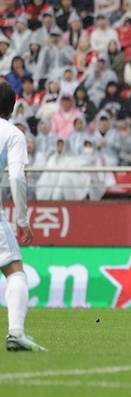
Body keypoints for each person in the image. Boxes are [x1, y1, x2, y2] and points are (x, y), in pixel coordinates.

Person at [0, 82, 46, 351]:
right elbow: (17, 177)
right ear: (14, 105)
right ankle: (16, 333)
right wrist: (22, 220)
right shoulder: (13, 134)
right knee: (15, 270)